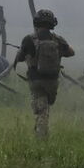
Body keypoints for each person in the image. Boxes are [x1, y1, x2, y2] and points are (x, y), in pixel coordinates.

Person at [13, 9, 74, 138]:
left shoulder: (29, 39)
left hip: (36, 80)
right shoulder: (58, 39)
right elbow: (71, 52)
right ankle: (42, 133)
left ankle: (40, 139)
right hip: (52, 81)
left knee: (41, 111)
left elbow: (19, 58)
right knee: (45, 108)